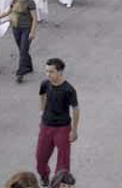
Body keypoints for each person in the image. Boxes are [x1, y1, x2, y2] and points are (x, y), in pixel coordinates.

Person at [36, 58, 80, 187]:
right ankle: (44, 176)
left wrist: (74, 130)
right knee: (40, 158)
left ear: (60, 72)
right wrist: (41, 111)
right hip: (46, 126)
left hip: (62, 128)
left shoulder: (69, 89)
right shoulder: (45, 84)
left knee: (63, 162)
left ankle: (59, 184)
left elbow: (76, 109)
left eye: (51, 71)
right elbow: (42, 95)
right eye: (46, 71)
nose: (48, 74)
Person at [0, 0, 38, 83]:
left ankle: (20, 73)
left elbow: (35, 18)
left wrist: (32, 32)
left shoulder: (30, 2)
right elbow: (6, 12)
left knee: (23, 50)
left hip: (26, 28)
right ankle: (28, 66)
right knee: (22, 49)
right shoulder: (14, 1)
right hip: (16, 28)